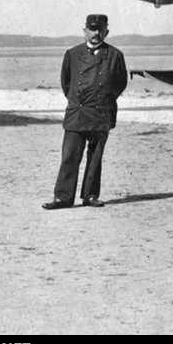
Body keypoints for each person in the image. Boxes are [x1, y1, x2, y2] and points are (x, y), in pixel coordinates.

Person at [42, 13, 128, 210]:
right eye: (92, 29)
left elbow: (120, 83)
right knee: (69, 156)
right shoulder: (72, 54)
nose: (96, 33)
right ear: (84, 31)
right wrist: (77, 102)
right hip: (77, 113)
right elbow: (66, 83)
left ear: (107, 31)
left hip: (100, 113)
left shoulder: (115, 55)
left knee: (95, 157)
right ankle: (62, 198)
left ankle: (90, 196)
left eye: (100, 29)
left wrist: (104, 99)